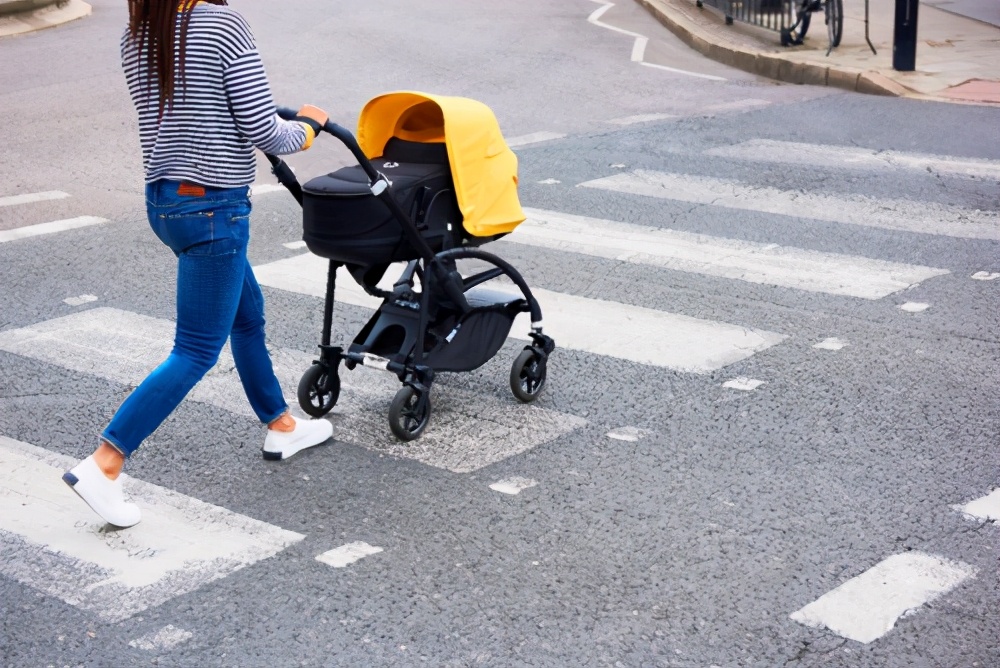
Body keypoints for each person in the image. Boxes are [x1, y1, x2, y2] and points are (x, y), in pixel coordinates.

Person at [62, 0, 333, 528]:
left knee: (246, 317)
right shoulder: (223, 25)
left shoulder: (138, 32)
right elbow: (268, 133)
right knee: (194, 350)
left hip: (166, 203)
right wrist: (310, 125)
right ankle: (105, 463)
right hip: (214, 209)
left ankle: (281, 425)